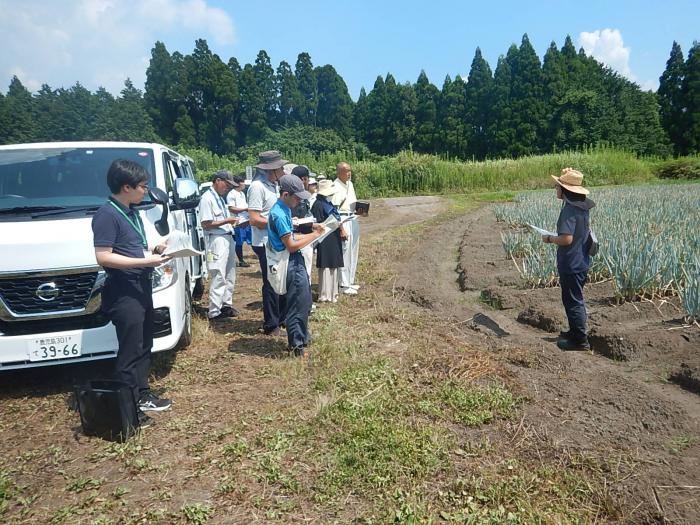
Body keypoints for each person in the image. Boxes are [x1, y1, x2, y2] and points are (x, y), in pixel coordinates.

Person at [92, 159, 172, 428]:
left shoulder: (131, 212)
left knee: (144, 344)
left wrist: (155, 251)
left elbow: (130, 250)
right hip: (123, 291)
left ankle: (141, 393)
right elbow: (103, 257)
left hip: (140, 287)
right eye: (142, 187)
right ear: (126, 186)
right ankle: (127, 411)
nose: (145, 192)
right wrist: (144, 262)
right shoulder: (106, 214)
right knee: (129, 351)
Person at [268, 175, 325, 356]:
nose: (299, 200)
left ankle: (303, 336)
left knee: (304, 301)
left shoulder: (284, 209)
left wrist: (312, 234)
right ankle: (296, 345)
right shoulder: (279, 214)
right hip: (289, 262)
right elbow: (291, 245)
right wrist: (315, 236)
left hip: (293, 260)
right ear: (285, 194)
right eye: (297, 197)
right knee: (296, 304)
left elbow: (292, 237)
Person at [543, 167, 596, 351]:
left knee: (573, 301)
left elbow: (566, 239)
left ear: (565, 190)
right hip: (581, 259)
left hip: (571, 262)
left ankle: (580, 340)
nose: (555, 189)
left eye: (557, 186)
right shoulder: (582, 206)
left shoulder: (569, 210)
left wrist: (549, 238)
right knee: (574, 298)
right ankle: (575, 331)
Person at [248, 150, 288, 336]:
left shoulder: (273, 185)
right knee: (271, 282)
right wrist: (278, 224)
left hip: (275, 241)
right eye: (279, 167)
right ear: (271, 169)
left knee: (280, 279)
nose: (282, 170)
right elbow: (254, 218)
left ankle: (282, 317)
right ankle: (271, 323)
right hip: (264, 241)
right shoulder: (257, 187)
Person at [199, 170, 239, 321]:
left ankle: (226, 305)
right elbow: (206, 223)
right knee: (218, 274)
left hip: (227, 236)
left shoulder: (220, 199)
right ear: (217, 180)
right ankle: (214, 311)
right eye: (226, 184)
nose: (227, 187)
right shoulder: (207, 198)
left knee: (230, 273)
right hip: (216, 239)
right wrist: (227, 221)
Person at [311, 179, 343, 302]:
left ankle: (333, 292)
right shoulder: (318, 204)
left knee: (334, 264)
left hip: (333, 236)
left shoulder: (329, 204)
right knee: (325, 265)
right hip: (325, 237)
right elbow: (316, 222)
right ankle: (324, 294)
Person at [331, 162, 360, 295]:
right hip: (343, 218)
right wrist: (341, 227)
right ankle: (343, 284)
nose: (349, 173)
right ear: (339, 172)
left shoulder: (350, 184)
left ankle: (350, 280)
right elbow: (334, 210)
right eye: (346, 171)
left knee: (354, 249)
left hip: (353, 217)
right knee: (345, 251)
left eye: (350, 170)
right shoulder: (334, 186)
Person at [291, 165, 315, 279]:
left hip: (303, 236)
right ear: (302, 179)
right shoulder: (297, 197)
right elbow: (299, 218)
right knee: (304, 271)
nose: (308, 182)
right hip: (300, 236)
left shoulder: (302, 196)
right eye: (307, 179)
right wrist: (312, 223)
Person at [227, 173, 252, 267]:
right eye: (243, 182)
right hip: (238, 221)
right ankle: (241, 260)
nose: (244, 184)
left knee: (250, 238)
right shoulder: (231, 194)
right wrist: (245, 209)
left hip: (246, 219)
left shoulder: (242, 193)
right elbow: (231, 208)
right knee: (239, 242)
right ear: (237, 183)